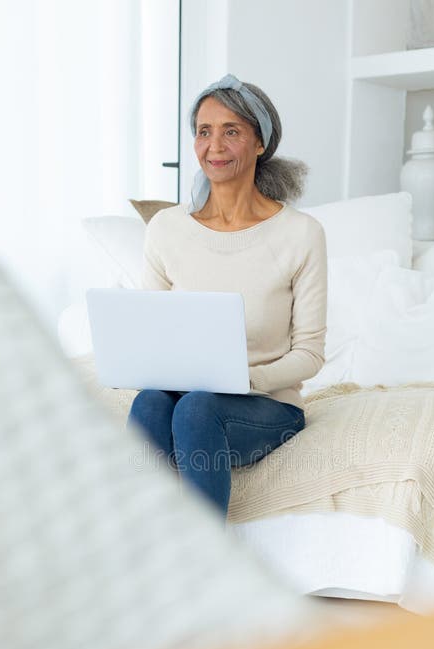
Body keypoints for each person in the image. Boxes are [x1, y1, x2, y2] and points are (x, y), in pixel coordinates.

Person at [127, 73, 327, 516]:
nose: (213, 145)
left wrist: (243, 379)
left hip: (268, 405)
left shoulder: (301, 234)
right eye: (203, 131)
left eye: (231, 131)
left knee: (197, 409)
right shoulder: (167, 229)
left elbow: (310, 354)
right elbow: (149, 334)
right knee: (150, 403)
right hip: (184, 398)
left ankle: (207, 570)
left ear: (260, 143)